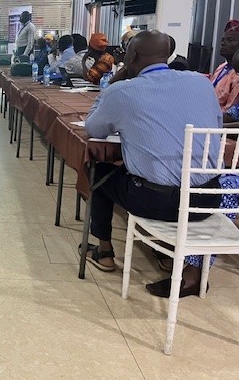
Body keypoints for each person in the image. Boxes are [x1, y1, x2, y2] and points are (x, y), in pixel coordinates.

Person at [84, 30, 223, 298]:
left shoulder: (124, 91)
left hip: (156, 202)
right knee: (152, 173)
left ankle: (104, 252)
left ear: (132, 56)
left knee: (99, 171)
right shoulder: (201, 82)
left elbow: (94, 129)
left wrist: (116, 79)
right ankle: (165, 254)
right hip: (206, 200)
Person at [210, 20, 239, 110]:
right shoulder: (222, 67)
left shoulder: (237, 76)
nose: (223, 43)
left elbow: (230, 113)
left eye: (229, 40)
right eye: (222, 40)